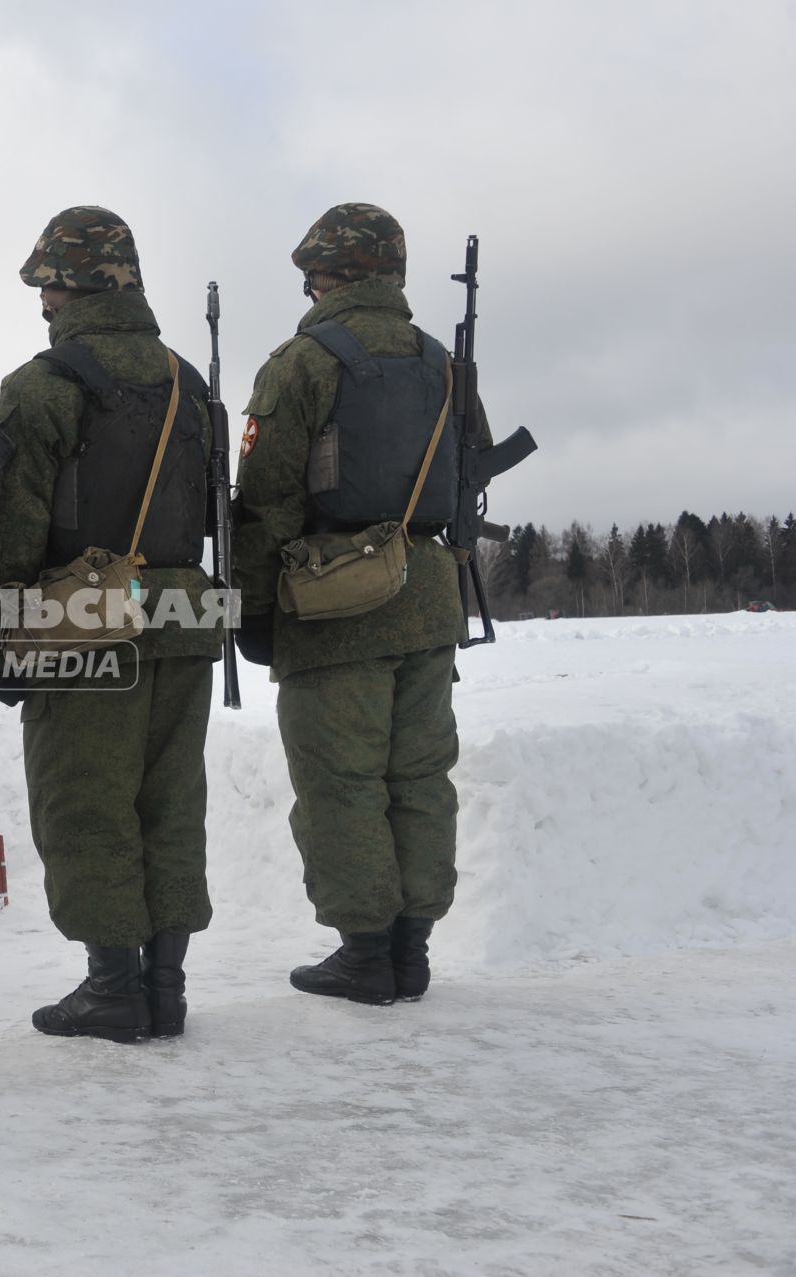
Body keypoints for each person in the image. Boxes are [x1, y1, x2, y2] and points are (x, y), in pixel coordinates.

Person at [0, 207, 223, 1043]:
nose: (42, 300)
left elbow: (3, 532)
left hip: (83, 629)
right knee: (170, 802)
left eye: (46, 284)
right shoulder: (191, 383)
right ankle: (167, 987)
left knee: (87, 803)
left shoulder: (42, 387)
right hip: (185, 618)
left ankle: (114, 986)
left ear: (63, 286)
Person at [232, 203, 490, 1005]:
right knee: (419, 777)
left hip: (332, 597)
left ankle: (366, 952)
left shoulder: (302, 361)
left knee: (341, 782)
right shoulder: (442, 359)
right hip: (430, 598)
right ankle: (411, 949)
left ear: (329, 273)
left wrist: (252, 608)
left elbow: (265, 499)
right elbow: (471, 472)